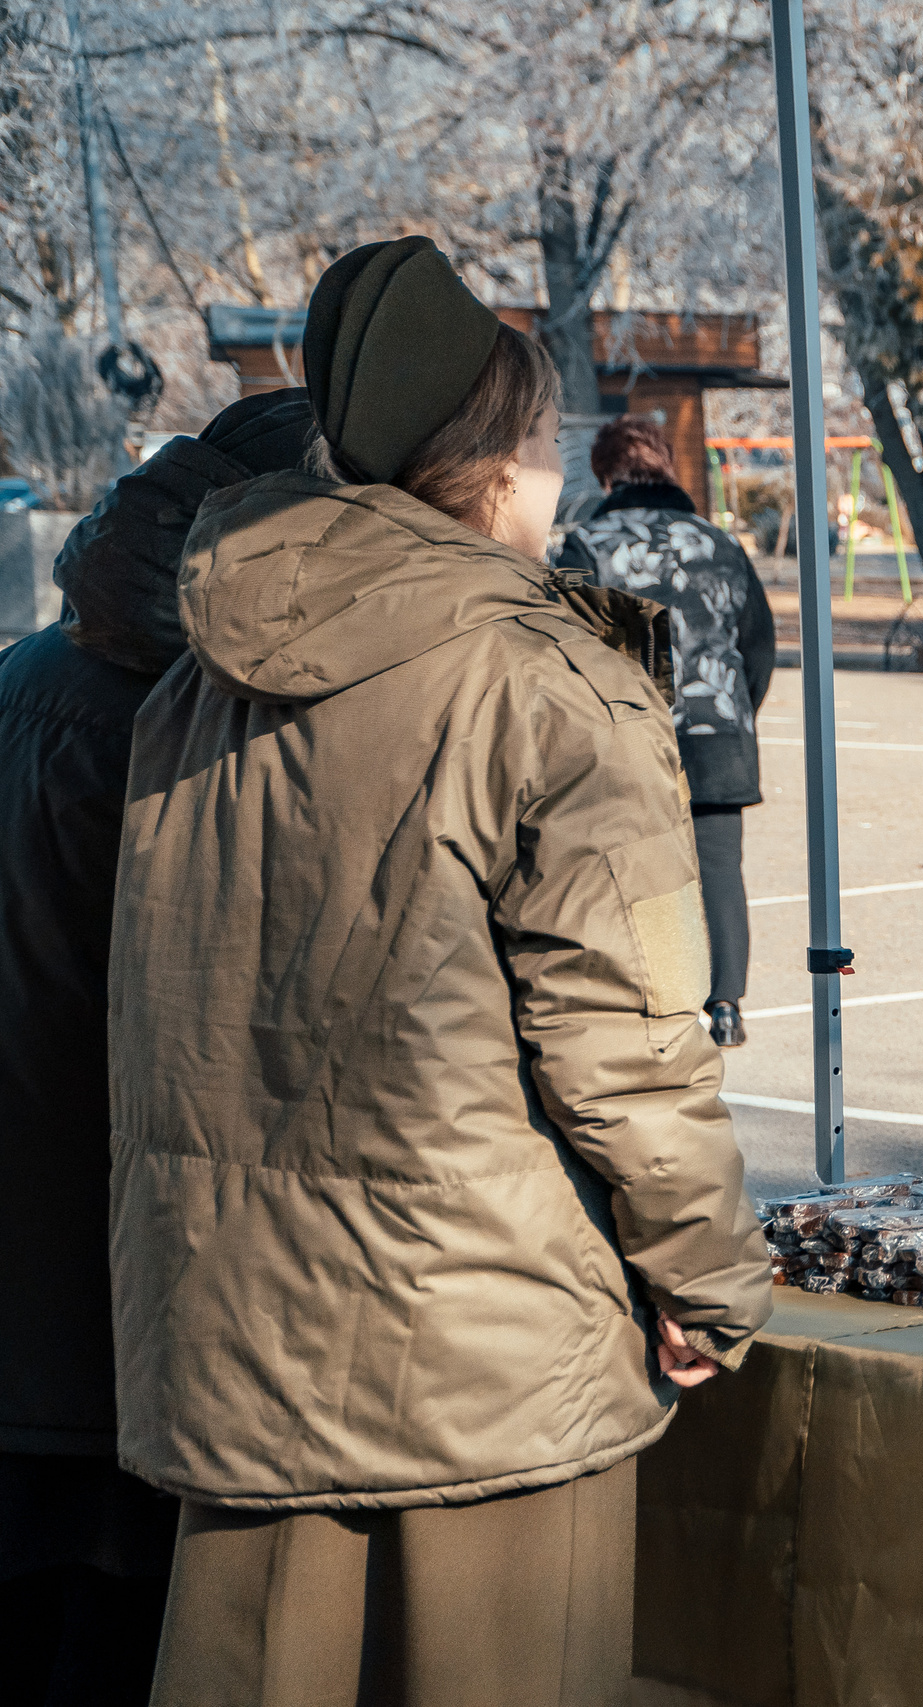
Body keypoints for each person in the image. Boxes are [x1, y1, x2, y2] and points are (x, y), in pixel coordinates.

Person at [109, 237, 770, 1707]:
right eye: (545, 442)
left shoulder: (194, 680)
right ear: (498, 462)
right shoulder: (554, 680)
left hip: (235, 1344)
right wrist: (711, 1278)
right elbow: (633, 1041)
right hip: (489, 1358)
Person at [0, 389, 312, 1707]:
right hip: (115, 1274)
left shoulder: (31, 668)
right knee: (109, 1628)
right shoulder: (185, 715)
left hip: (40, 1265)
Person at [555, 415, 775, 1048]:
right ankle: (726, 1005)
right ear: (667, 468)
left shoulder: (585, 545)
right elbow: (758, 643)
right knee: (720, 868)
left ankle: (648, 1002)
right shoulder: (720, 543)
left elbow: (562, 641)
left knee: (632, 871)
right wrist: (735, 708)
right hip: (719, 727)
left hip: (629, 732)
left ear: (605, 476)